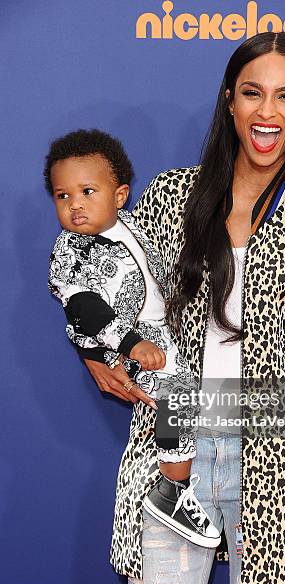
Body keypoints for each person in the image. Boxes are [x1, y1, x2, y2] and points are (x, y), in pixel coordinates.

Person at [79, 32, 285, 584]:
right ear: (229, 101)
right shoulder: (173, 196)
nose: (268, 112)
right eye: (252, 93)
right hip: (171, 456)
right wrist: (94, 348)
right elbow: (105, 278)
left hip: (277, 463)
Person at [45, 128, 221, 549]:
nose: (76, 206)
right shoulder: (69, 253)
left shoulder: (135, 225)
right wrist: (128, 345)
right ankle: (171, 491)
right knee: (179, 393)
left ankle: (189, 486)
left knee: (193, 397)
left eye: (87, 191)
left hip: (162, 334)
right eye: (62, 196)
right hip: (123, 346)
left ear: (120, 195)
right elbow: (86, 308)